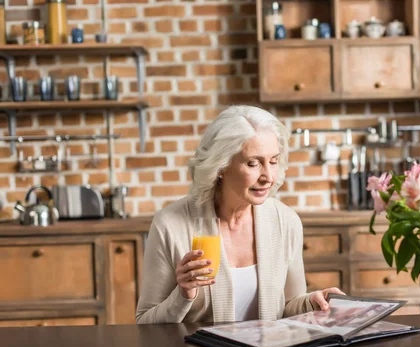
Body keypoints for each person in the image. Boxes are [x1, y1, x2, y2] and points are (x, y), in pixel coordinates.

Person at [136, 105, 344, 324]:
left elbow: (288, 307)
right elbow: (145, 322)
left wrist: (312, 302)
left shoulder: (286, 221)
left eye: (273, 161)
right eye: (253, 163)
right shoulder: (170, 225)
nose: (268, 176)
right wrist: (183, 295)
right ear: (221, 166)